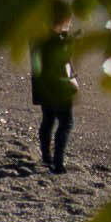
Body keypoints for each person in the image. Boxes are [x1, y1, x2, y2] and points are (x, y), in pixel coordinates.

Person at [31, 34, 79, 172]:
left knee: (48, 119)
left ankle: (46, 157)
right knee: (66, 123)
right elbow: (62, 60)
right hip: (59, 85)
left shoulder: (36, 36)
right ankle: (58, 163)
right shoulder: (57, 39)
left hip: (43, 83)